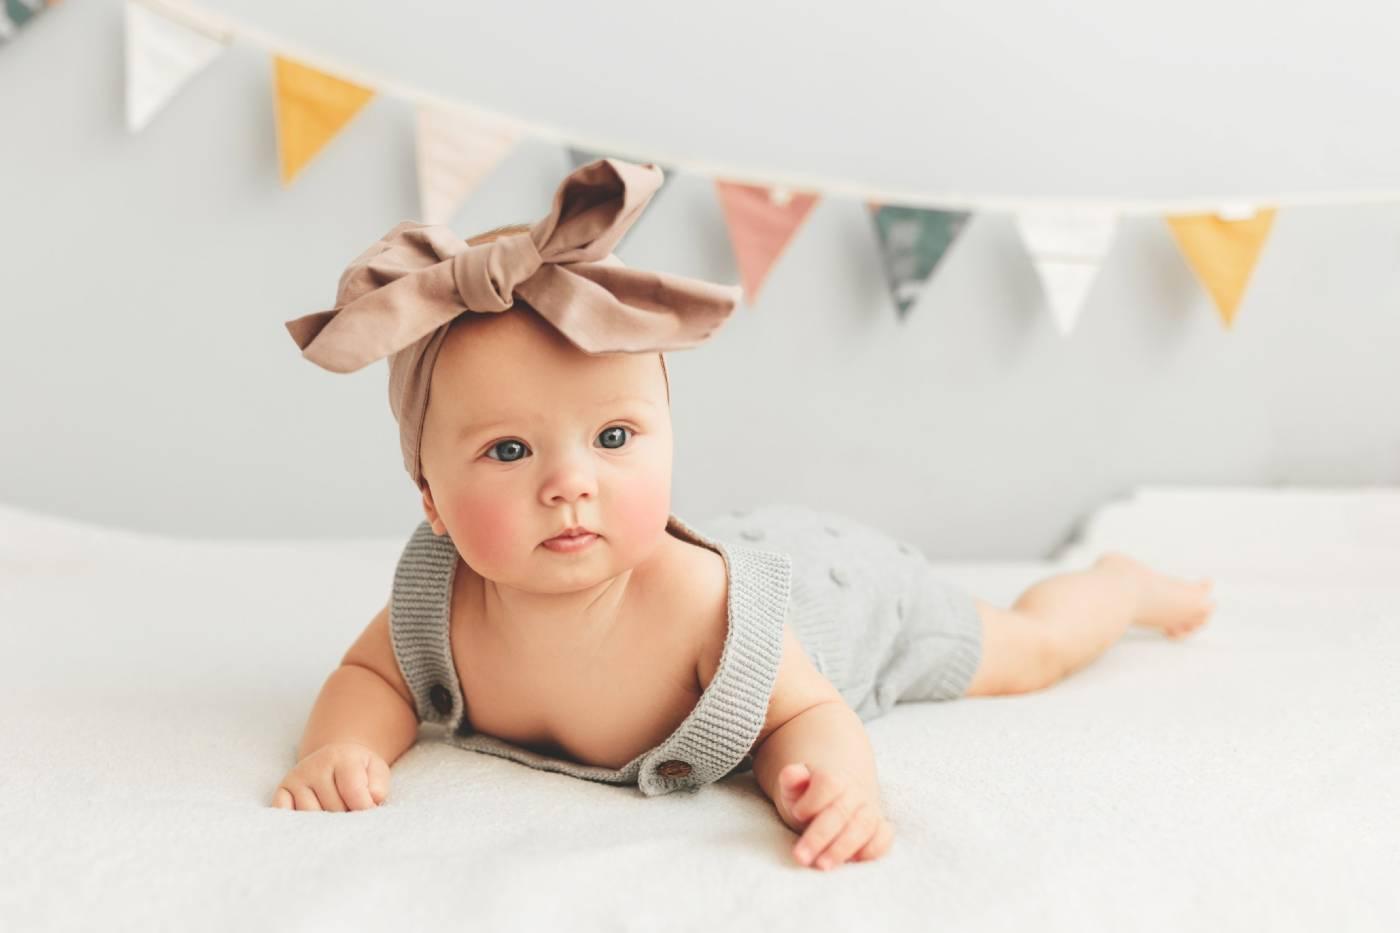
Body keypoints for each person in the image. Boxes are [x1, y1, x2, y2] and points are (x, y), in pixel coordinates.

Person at [270, 158, 1215, 873]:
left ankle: (1118, 586)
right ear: (431, 499)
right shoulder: (440, 601)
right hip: (755, 532)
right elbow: (370, 676)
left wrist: (833, 781)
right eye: (509, 451)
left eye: (613, 437)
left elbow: (806, 710)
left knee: (1031, 650)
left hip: (850, 597)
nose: (569, 483)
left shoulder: (696, 605)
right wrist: (342, 745)